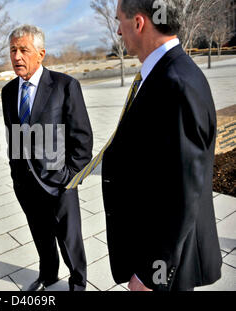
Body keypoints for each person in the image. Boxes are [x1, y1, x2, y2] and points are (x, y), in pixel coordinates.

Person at [101, 0, 222, 291]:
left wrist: (151, 273)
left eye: (120, 21)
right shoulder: (163, 72)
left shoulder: (175, 83)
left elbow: (183, 192)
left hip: (167, 262)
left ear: (139, 23)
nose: (118, 30)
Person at [1, 25, 93, 291]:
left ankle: (78, 282)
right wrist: (15, 172)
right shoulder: (8, 92)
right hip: (25, 183)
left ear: (41, 54)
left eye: (24, 50)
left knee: (70, 239)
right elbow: (13, 136)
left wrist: (69, 176)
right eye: (13, 50)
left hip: (59, 182)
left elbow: (82, 138)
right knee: (40, 234)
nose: (17, 57)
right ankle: (48, 275)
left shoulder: (65, 86)